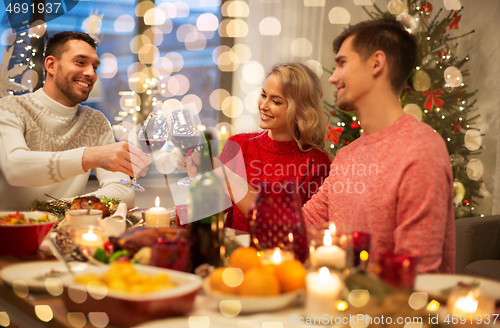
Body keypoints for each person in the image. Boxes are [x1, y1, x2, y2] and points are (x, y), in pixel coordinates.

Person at [229, 19, 455, 274]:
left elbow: (419, 278)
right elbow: (297, 230)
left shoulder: (420, 150)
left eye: (342, 63)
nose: (334, 77)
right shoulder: (348, 156)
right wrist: (226, 177)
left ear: (376, 63)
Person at [0, 31, 150, 211]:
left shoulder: (95, 121)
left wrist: (63, 208)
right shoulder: (9, 108)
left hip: (71, 231)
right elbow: (15, 168)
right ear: (51, 65)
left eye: (95, 67)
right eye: (80, 62)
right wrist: (93, 156)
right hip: (13, 232)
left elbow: (122, 191)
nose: (91, 73)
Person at [179, 62, 331, 232]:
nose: (264, 106)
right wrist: (199, 179)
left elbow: (305, 231)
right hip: (235, 255)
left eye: (276, 101)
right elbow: (208, 214)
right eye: (263, 95)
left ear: (300, 109)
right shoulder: (238, 145)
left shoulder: (316, 163)